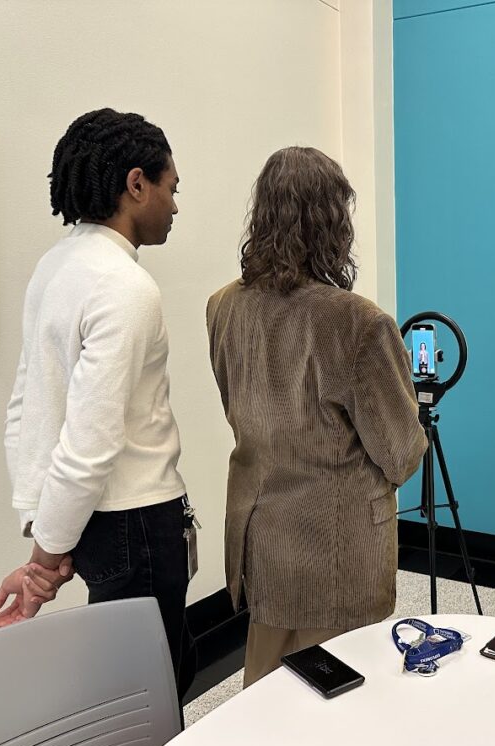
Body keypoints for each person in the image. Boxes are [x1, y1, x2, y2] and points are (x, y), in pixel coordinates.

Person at [0, 107, 195, 697]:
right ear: (137, 184)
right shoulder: (126, 287)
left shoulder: (55, 266)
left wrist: (46, 533)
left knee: (134, 681)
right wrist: (42, 561)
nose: (175, 206)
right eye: (171, 188)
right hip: (137, 521)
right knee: (152, 693)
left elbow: (27, 409)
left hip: (96, 526)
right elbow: (90, 442)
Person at [206, 146, 426, 687]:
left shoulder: (222, 306)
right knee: (343, 692)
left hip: (262, 533)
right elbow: (401, 453)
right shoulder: (358, 322)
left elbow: (240, 405)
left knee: (267, 687)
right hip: (338, 547)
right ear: (333, 221)